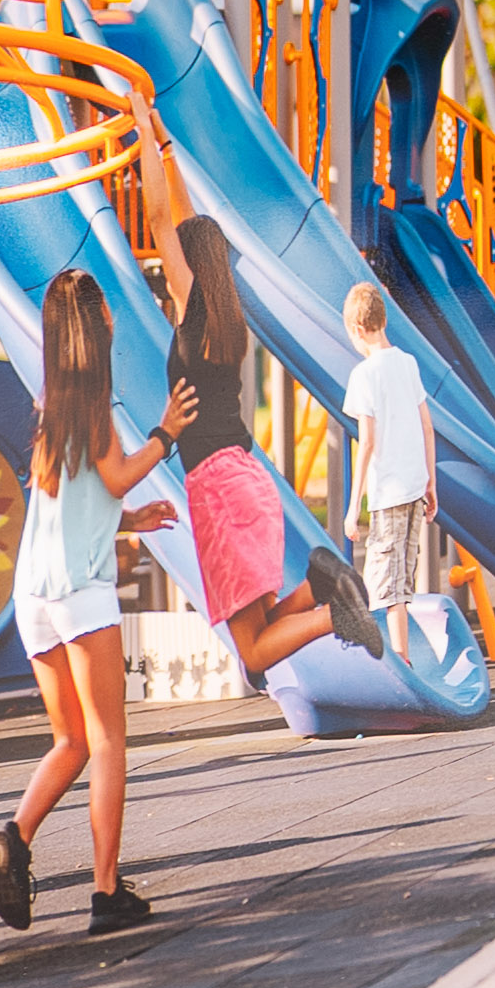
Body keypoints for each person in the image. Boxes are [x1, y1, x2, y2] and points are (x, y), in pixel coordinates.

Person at [0, 268, 178, 935]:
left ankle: (14, 836)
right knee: (107, 743)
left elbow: (75, 503)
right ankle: (104, 892)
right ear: (97, 328)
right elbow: (119, 472)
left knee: (68, 738)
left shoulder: (51, 408)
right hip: (80, 594)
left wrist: (128, 521)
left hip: (33, 594)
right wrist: (168, 434)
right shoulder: (91, 404)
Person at [164, 216, 382, 687]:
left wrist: (141, 138)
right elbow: (181, 221)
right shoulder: (225, 315)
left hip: (219, 490)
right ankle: (317, 585)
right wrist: (162, 145)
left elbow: (163, 219)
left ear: (189, 265)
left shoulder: (193, 309)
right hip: (249, 482)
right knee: (263, 631)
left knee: (254, 655)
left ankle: (335, 615)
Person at [341, 282, 438, 612]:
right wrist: (431, 483)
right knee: (400, 583)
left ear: (357, 329)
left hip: (390, 494)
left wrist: (354, 508)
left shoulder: (363, 374)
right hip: (415, 490)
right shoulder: (408, 363)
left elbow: (366, 441)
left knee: (384, 588)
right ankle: (400, 654)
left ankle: (398, 658)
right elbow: (427, 426)